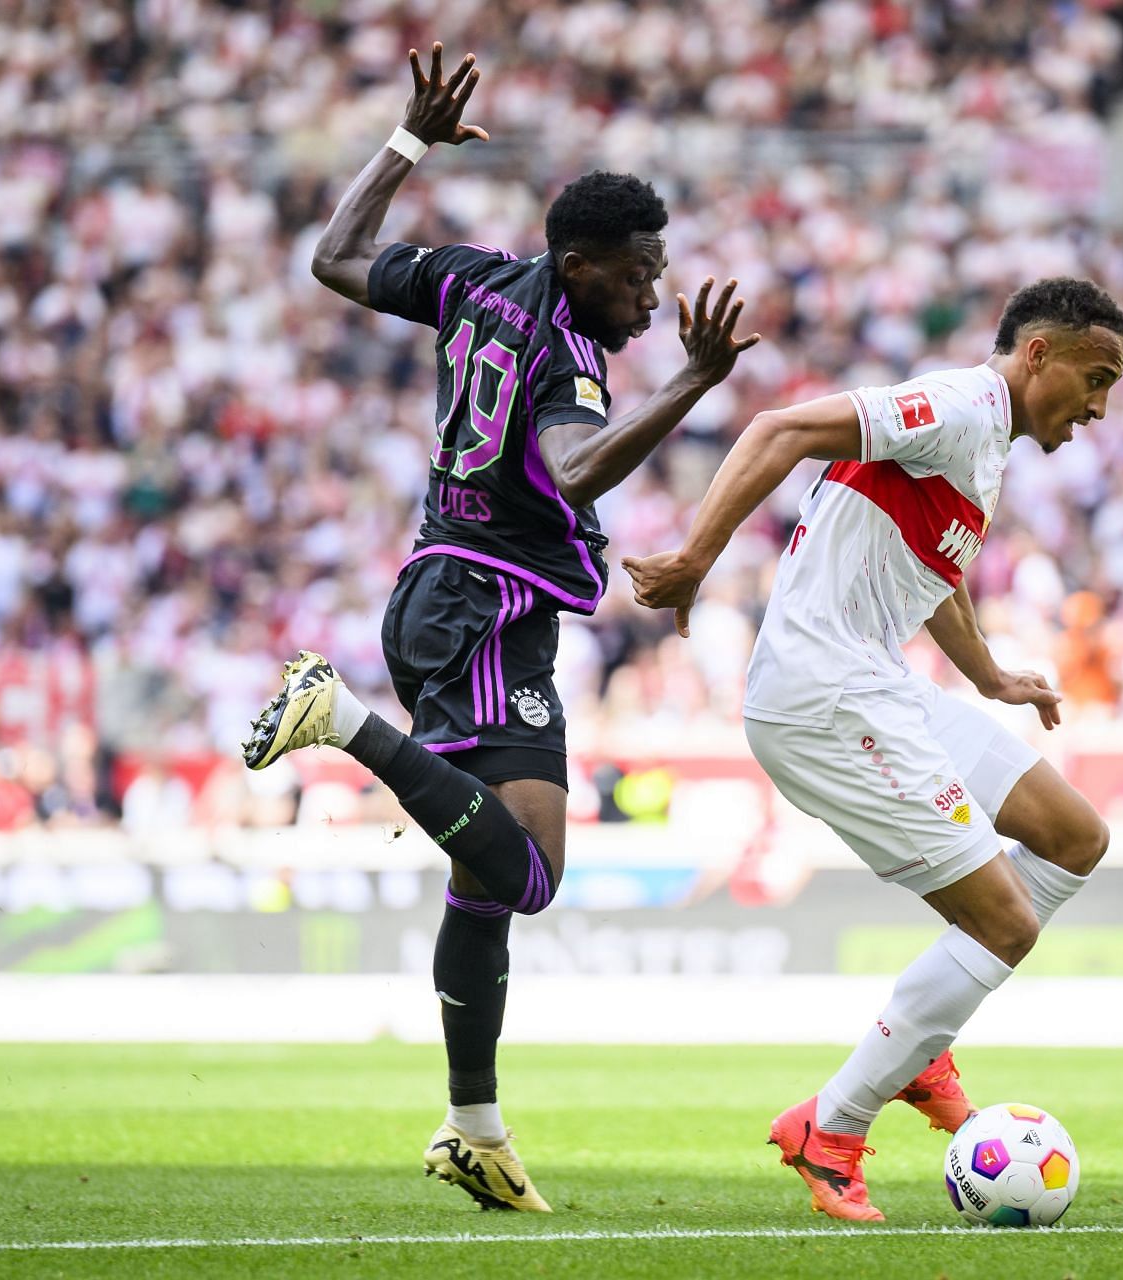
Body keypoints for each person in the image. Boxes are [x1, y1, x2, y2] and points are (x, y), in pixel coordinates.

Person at [238, 43, 757, 1212]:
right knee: (524, 876)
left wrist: (407, 140)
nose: (652, 292)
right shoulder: (571, 355)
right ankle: (342, 720)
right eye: (636, 274)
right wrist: (691, 383)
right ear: (579, 268)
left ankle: (474, 1125)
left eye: (660, 268)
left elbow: (336, 256)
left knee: (489, 884)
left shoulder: (477, 279)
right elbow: (573, 474)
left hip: (468, 596)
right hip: (484, 599)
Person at [623, 278, 1122, 1221]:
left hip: (880, 684)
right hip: (823, 695)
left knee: (1074, 836)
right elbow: (778, 429)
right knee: (1006, 927)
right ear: (1038, 357)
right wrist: (695, 556)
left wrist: (990, 679)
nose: (1098, 407)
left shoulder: (983, 447)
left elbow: (930, 575)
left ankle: (920, 1039)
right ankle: (835, 1126)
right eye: (1094, 380)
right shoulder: (963, 403)